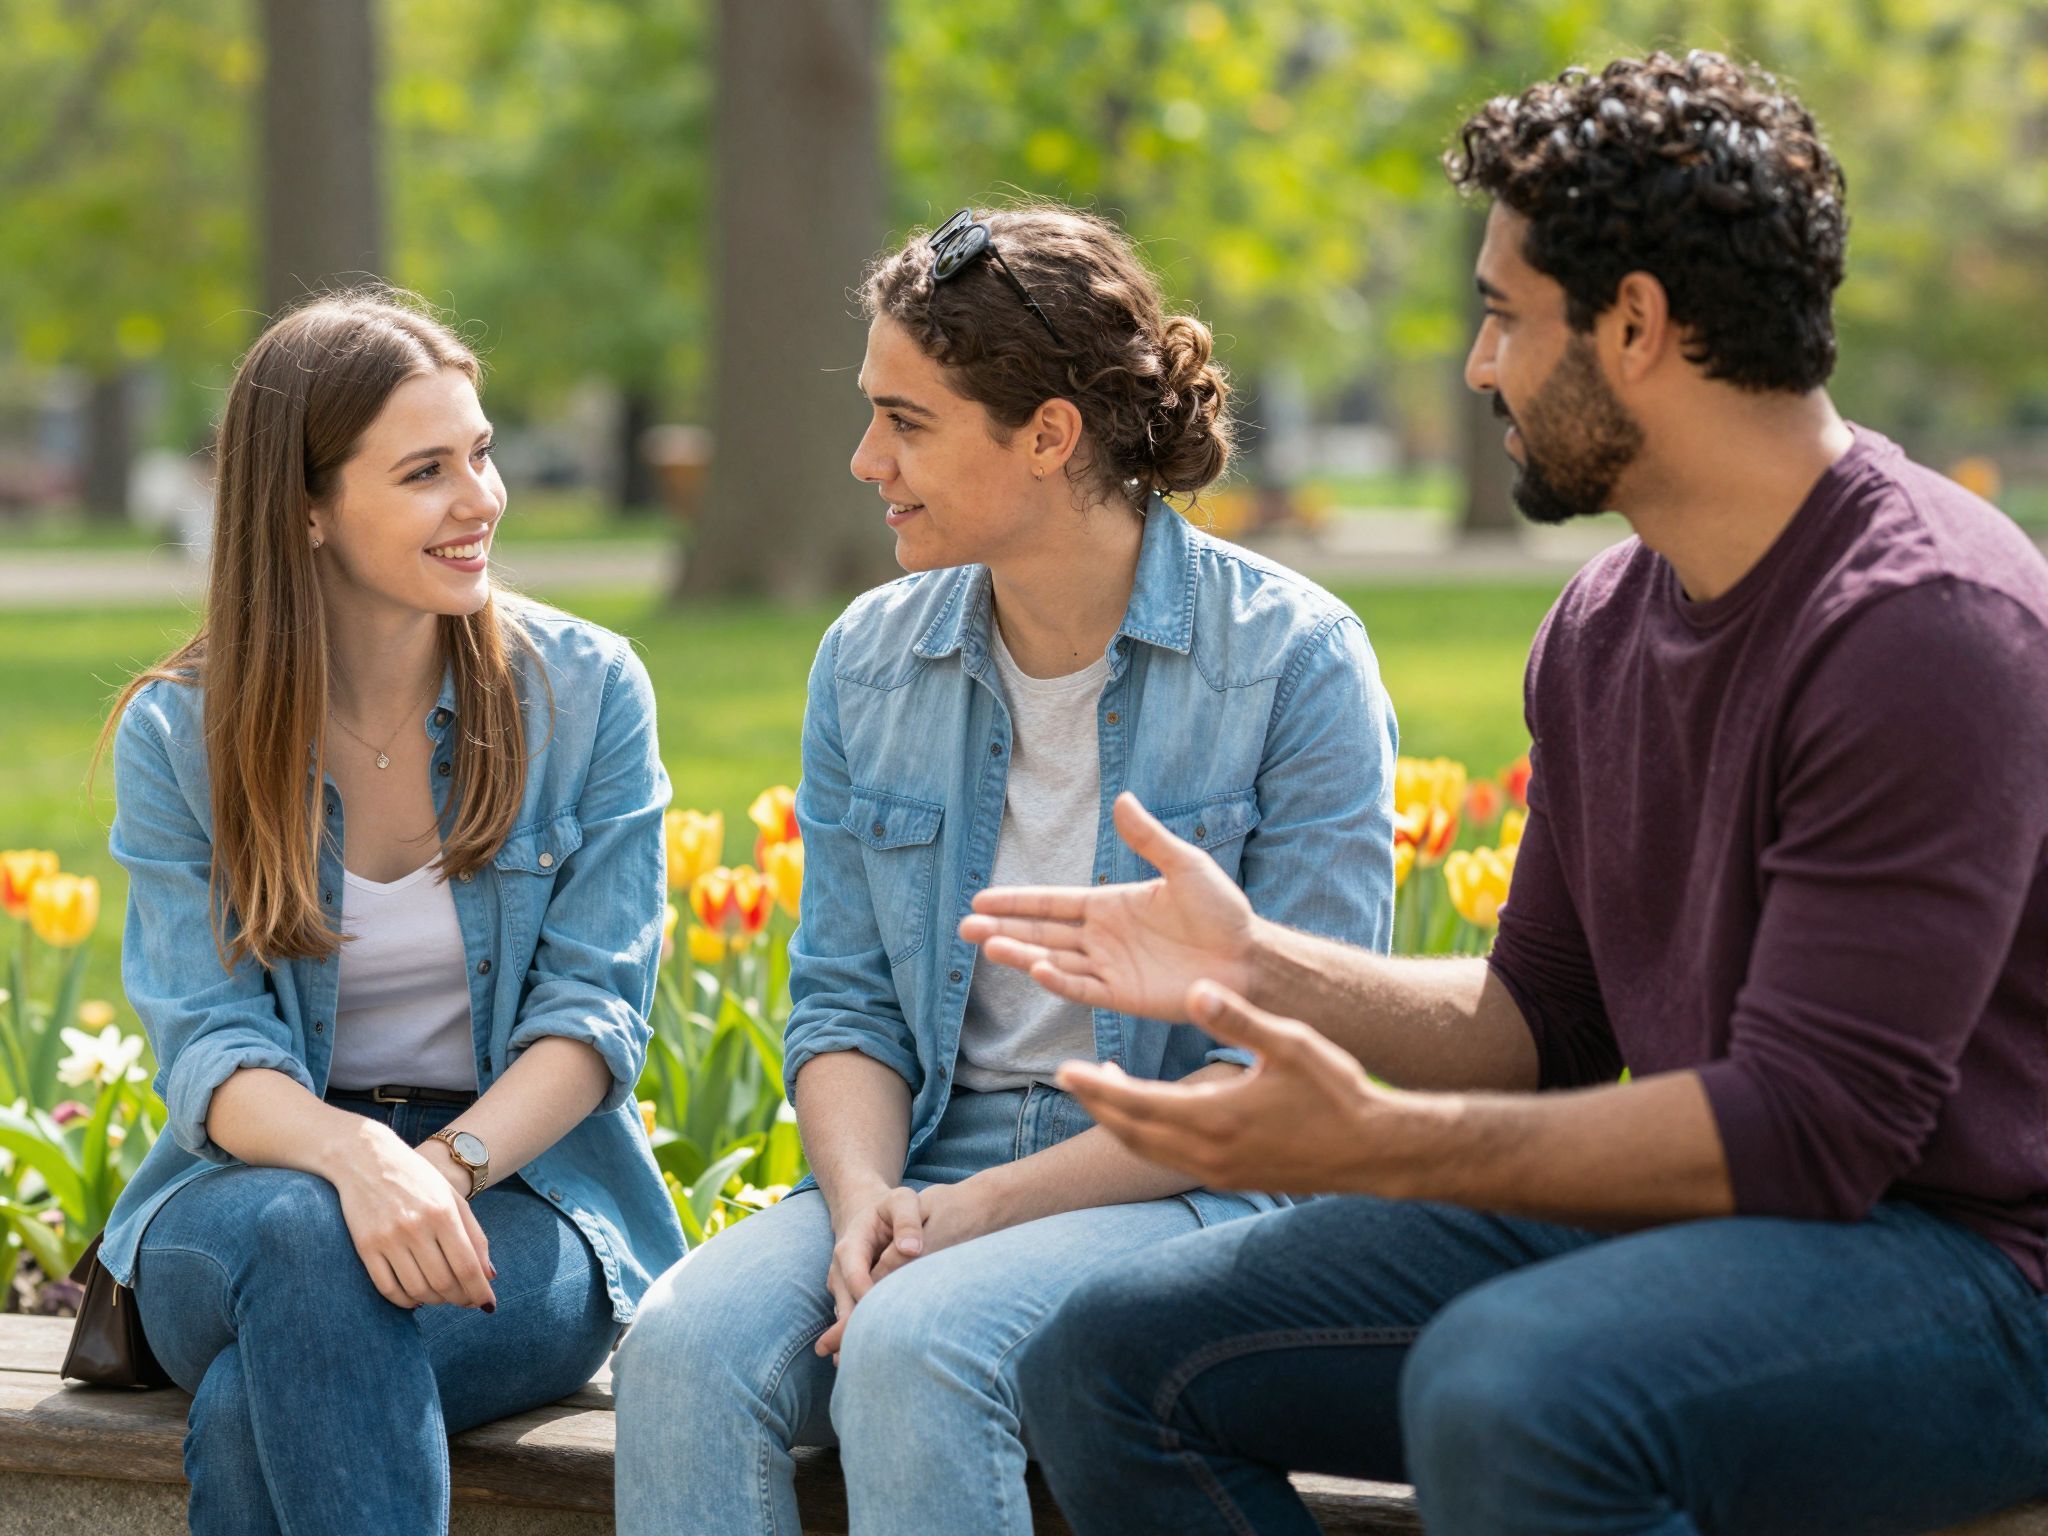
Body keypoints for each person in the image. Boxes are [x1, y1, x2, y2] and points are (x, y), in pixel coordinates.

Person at [965, 52, 2048, 1536]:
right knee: (1105, 1359)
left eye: (1501, 314)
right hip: (1711, 1226)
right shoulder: (1606, 627)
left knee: (1520, 1386)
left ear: (1639, 326)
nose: (1478, 365)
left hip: (1979, 1275)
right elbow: (1544, 1026)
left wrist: (1378, 1139)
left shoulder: (1926, 622)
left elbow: (1813, 1133)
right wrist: (1261, 966)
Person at [612, 204, 1398, 1536]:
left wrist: (980, 1214)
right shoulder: (870, 659)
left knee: (918, 1347)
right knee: (681, 1352)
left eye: (908, 422)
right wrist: (867, 1205)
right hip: (921, 1162)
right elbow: (846, 1004)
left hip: (1191, 1192)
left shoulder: (1291, 661)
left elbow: (1275, 1076)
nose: (866, 460)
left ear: (1048, 434)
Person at [94, 290, 686, 1536]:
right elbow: (211, 1044)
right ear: (304, 509)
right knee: (311, 1247)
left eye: (480, 453)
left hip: (523, 1196)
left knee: (262, 1399)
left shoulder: (583, 695)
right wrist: (357, 1159)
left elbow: (592, 1017)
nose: (482, 499)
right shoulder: (179, 734)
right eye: (425, 471)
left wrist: (440, 1169)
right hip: (249, 1195)